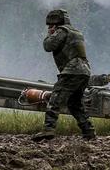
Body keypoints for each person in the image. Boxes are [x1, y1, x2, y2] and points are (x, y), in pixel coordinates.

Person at [32, 9, 96, 141]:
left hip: (72, 71)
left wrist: (49, 35)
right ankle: (88, 131)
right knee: (75, 104)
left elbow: (48, 46)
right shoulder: (76, 32)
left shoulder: (62, 31)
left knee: (55, 98)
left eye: (50, 26)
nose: (50, 28)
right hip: (84, 71)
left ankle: (48, 129)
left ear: (55, 23)